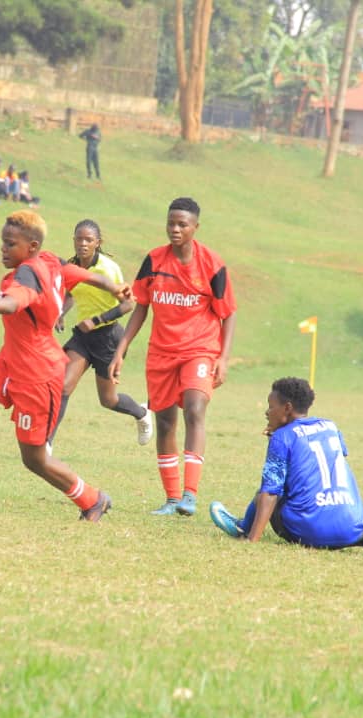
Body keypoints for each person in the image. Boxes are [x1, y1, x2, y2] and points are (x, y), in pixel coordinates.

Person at [0, 210, 130, 522]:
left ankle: (93, 499)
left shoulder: (29, 274)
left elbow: (10, 304)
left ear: (31, 246)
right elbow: (85, 275)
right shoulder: (51, 261)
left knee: (34, 459)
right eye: (3, 242)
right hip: (8, 362)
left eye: (10, 244)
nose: (3, 249)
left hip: (37, 374)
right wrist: (113, 287)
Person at [208, 378, 363, 563]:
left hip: (308, 531)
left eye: (270, 406)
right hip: (351, 527)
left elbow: (270, 492)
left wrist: (252, 543)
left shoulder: (281, 437)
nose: (267, 412)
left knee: (265, 493)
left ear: (286, 408)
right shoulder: (330, 425)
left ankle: (243, 529)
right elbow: (336, 455)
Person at [109, 197, 237, 517]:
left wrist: (223, 357)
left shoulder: (212, 264)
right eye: (171, 223)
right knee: (165, 422)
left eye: (182, 224)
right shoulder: (154, 260)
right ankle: (171, 498)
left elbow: (229, 313)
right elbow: (141, 306)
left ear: (196, 227)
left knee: (195, 408)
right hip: (161, 353)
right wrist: (121, 350)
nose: (175, 229)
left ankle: (190, 496)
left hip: (200, 349)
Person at [49, 219, 151, 450]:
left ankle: (142, 413)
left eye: (88, 240)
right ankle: (47, 444)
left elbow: (128, 305)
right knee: (63, 386)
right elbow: (72, 293)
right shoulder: (73, 266)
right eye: (79, 238)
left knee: (108, 400)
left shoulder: (108, 269)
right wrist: (61, 313)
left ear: (98, 242)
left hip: (108, 337)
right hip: (83, 338)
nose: (83, 244)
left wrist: (96, 320)